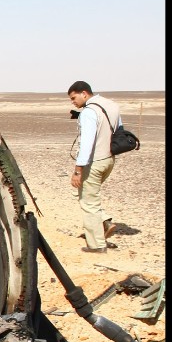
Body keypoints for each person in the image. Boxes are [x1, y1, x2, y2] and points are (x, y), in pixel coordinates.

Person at [67, 81, 122, 253]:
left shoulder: (89, 112)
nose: (73, 102)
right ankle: (105, 221)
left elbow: (87, 144)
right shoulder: (111, 105)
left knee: (88, 202)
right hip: (109, 159)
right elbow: (119, 130)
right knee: (90, 195)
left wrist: (78, 170)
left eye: (73, 98)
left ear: (84, 93)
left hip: (95, 162)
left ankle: (97, 244)